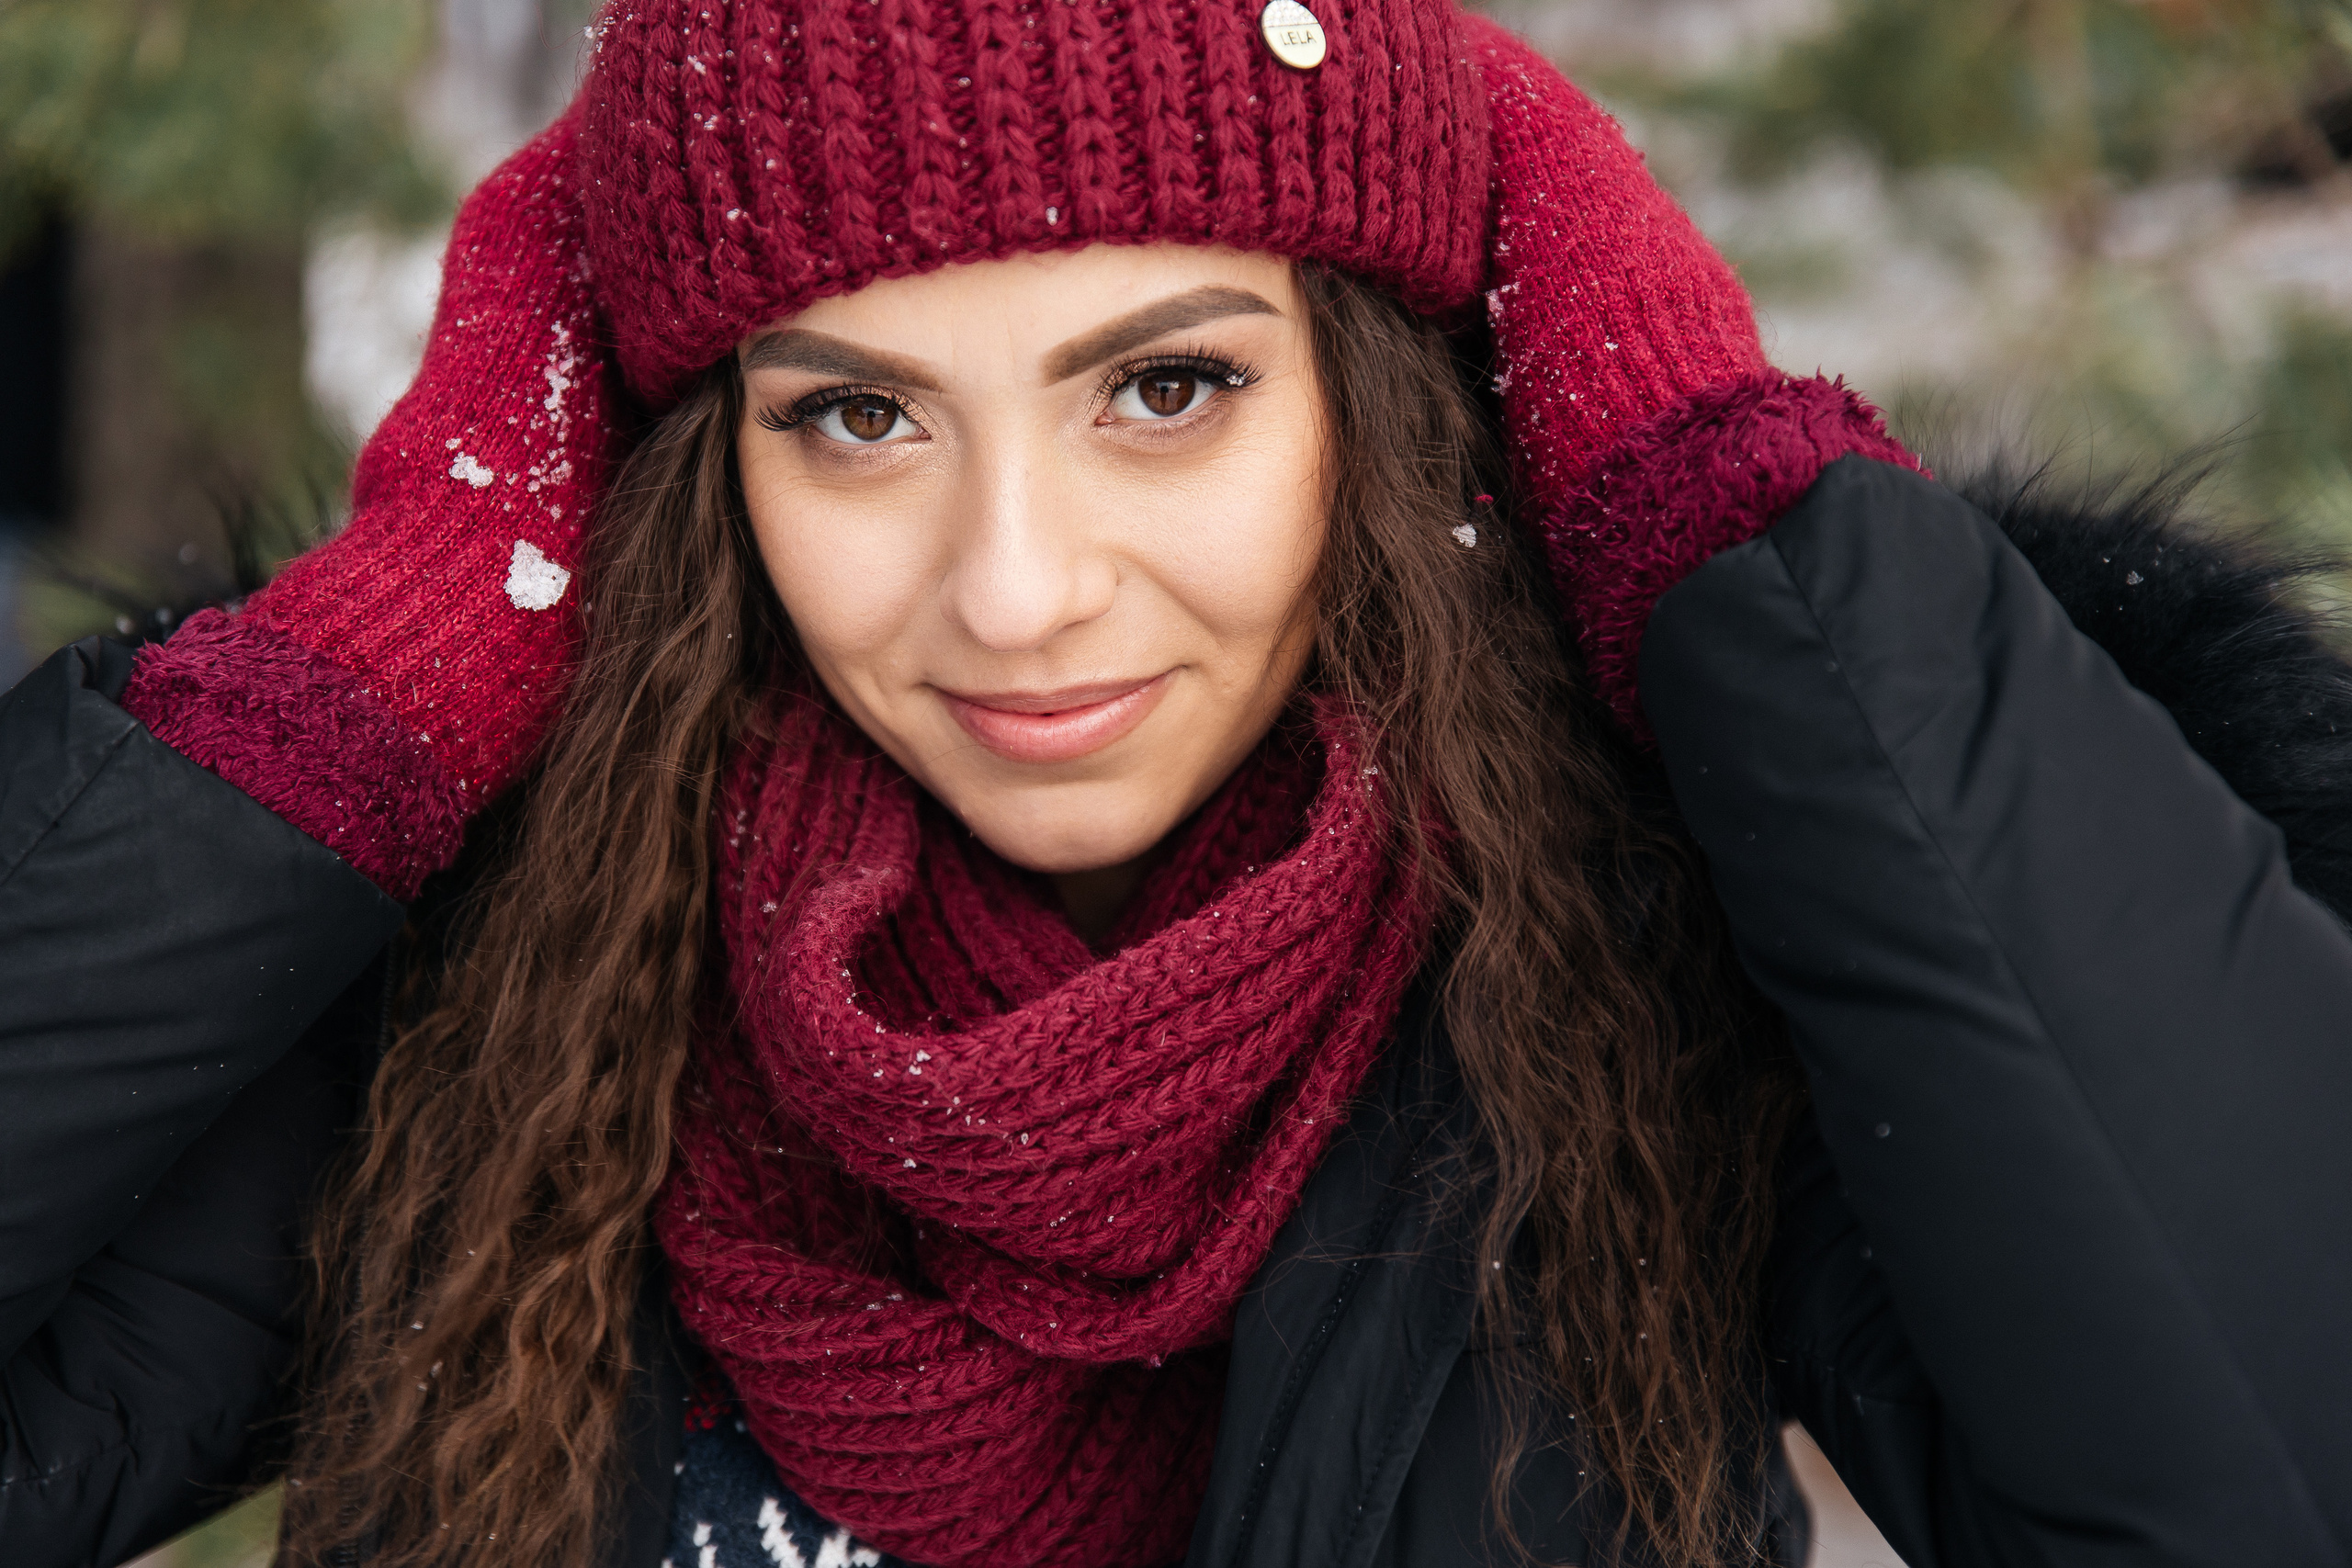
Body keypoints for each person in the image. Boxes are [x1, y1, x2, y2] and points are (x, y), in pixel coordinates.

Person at [4, 1, 2348, 1564]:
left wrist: (1728, 524)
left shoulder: (1686, 947)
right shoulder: (497, 988)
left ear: (1382, 383)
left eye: (1162, 389)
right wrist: (357, 688)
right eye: (852, 414)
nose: (1011, 593)